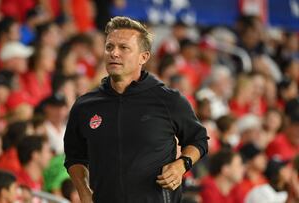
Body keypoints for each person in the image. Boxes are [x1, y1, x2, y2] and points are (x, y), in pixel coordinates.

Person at [64, 16, 208, 202]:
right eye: (109, 47)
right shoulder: (85, 106)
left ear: (144, 57)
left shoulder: (169, 100)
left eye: (123, 48)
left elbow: (199, 139)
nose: (114, 53)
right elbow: (74, 156)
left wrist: (182, 164)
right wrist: (84, 191)